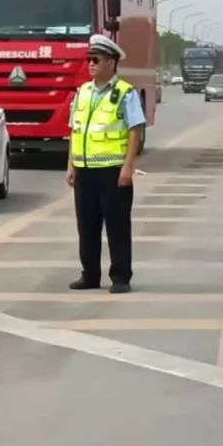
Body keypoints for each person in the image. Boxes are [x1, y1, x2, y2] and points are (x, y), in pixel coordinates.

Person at [65, 34, 146, 294]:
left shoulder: (125, 93)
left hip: (113, 171)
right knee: (86, 226)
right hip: (85, 170)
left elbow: (135, 130)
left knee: (117, 226)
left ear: (111, 63)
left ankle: (121, 277)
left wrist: (128, 167)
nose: (90, 64)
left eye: (96, 60)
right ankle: (89, 275)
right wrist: (71, 165)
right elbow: (75, 131)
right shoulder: (82, 92)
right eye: (89, 59)